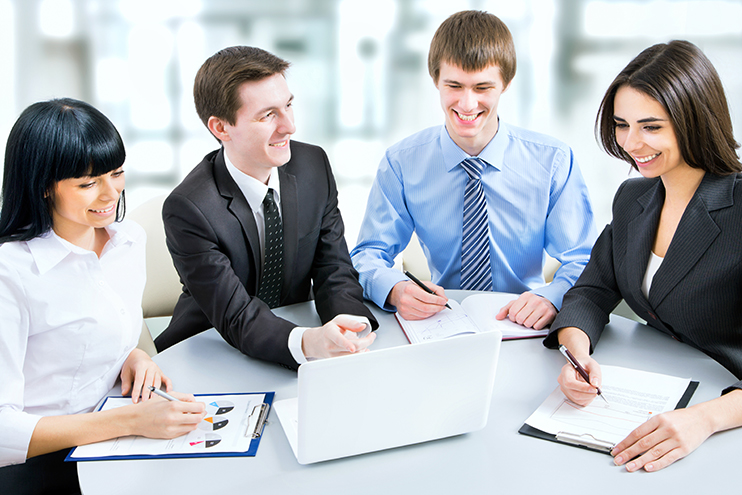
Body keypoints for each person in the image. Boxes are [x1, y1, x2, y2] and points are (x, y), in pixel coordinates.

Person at [544, 40, 742, 472]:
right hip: (652, 397)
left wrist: (706, 418)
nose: (631, 143)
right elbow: (592, 290)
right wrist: (576, 354)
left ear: (694, 122)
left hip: (725, 418)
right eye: (621, 124)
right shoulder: (634, 197)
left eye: (651, 127)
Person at [0, 99, 205, 494]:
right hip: (39, 462)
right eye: (87, 183)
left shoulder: (127, 241)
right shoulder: (11, 272)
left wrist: (133, 355)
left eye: (117, 173)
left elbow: (91, 326)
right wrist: (132, 422)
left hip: (111, 434)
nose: (110, 194)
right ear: (44, 186)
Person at [350, 10, 596, 329]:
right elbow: (369, 254)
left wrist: (553, 296)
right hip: (441, 323)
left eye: (482, 88)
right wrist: (395, 289)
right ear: (435, 79)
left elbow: (583, 259)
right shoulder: (402, 162)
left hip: (526, 323)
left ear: (505, 84)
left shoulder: (553, 161)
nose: (467, 104)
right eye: (454, 85)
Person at [153, 46, 378, 369]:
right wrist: (309, 342)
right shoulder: (189, 208)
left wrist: (348, 326)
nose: (289, 126)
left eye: (288, 106)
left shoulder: (313, 165)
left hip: (301, 344)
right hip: (213, 352)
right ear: (221, 128)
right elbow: (236, 315)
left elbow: (335, 269)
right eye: (268, 115)